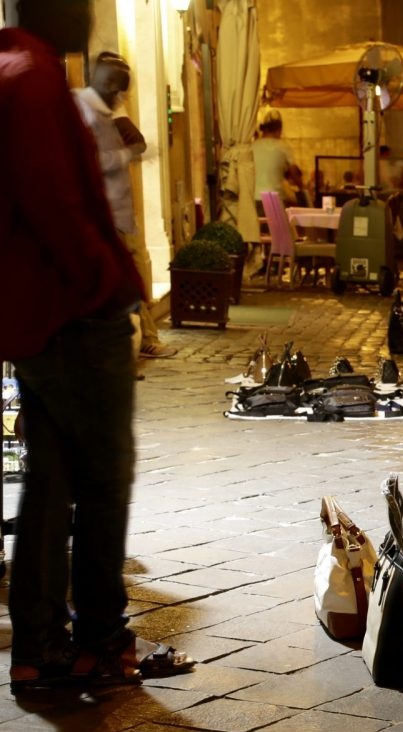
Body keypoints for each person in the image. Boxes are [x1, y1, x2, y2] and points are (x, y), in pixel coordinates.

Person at [1, 0, 194, 692]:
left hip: (36, 315)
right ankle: (100, 640)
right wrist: (105, 282)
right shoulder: (36, 78)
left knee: (48, 486)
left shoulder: (15, 67)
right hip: (73, 313)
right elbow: (54, 202)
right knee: (106, 478)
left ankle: (41, 647)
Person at [73, 51, 177, 361]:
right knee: (122, 281)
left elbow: (139, 142)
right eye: (117, 88)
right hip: (103, 214)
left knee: (126, 279)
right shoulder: (90, 112)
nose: (121, 95)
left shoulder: (108, 115)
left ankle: (142, 339)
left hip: (115, 213)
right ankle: (138, 341)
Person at [252, 108, 294, 211]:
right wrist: (302, 187)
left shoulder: (252, 146)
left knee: (258, 226)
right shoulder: (283, 147)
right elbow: (294, 172)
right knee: (277, 227)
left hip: (255, 198)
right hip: (276, 199)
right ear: (278, 130)